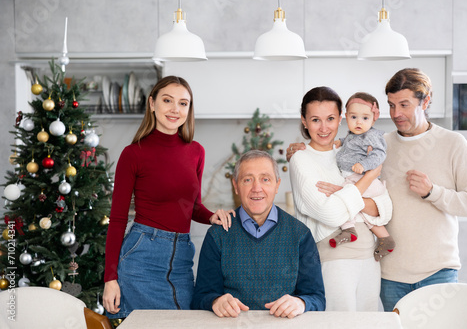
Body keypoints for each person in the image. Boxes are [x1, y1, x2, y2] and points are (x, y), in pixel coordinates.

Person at [103, 76, 235, 319]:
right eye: (168, 100)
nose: (175, 109)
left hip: (181, 259)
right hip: (142, 258)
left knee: (185, 321)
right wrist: (110, 278)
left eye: (183, 103)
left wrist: (211, 216)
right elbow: (118, 219)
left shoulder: (196, 152)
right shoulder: (133, 154)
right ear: (152, 104)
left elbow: (192, 206)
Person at [379, 68, 467, 311]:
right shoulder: (381, 146)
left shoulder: (453, 143)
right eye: (391, 105)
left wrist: (432, 192)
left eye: (404, 105)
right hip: (390, 274)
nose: (396, 113)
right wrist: (303, 148)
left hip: (438, 272)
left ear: (425, 101)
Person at [287, 86, 393, 312]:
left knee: (369, 324)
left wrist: (343, 193)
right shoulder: (301, 159)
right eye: (315, 119)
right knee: (340, 323)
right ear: (304, 121)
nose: (324, 128)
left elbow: (385, 208)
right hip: (334, 259)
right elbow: (331, 214)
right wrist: (370, 177)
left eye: (331, 119)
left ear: (341, 119)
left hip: (369, 256)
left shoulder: (348, 152)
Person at [191, 150, 325, 318]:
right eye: (247, 180)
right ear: (236, 186)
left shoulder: (300, 234)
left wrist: (301, 303)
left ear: (277, 185)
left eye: (265, 179)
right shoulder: (218, 235)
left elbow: (317, 298)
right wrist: (215, 301)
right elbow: (201, 297)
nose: (256, 188)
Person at [332, 92, 395, 261]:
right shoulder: (353, 134)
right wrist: (341, 141)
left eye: (365, 118)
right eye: (354, 117)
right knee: (360, 211)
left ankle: (349, 230)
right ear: (346, 117)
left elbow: (379, 155)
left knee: (345, 199)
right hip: (354, 178)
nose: (359, 122)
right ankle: (384, 238)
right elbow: (351, 144)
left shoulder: (372, 136)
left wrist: (364, 165)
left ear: (374, 118)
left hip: (365, 180)